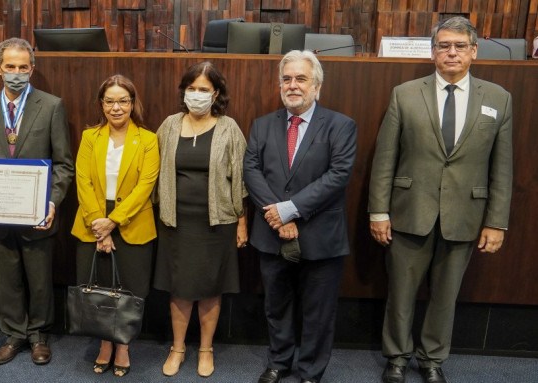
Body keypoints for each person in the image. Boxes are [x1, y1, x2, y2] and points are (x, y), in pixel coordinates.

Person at [369, 16, 512, 383]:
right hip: (408, 211)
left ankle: (431, 359)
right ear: (432, 52)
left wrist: (496, 222)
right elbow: (386, 158)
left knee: (446, 295)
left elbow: (503, 168)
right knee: (400, 293)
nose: (451, 52)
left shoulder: (498, 99)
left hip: (465, 213)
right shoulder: (405, 93)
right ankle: (397, 357)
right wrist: (378, 212)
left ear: (473, 52)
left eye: (459, 46)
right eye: (444, 45)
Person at [243, 50, 357, 383]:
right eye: (287, 79)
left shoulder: (341, 125)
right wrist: (277, 214)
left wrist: (289, 209)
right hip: (271, 232)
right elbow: (251, 170)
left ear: (317, 86)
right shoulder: (262, 125)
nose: (293, 85)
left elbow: (338, 175)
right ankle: (279, 362)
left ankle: (310, 371)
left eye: (301, 79)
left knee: (318, 311)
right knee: (276, 305)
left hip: (320, 234)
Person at [0, 37, 74, 366]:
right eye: (10, 67)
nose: (16, 72)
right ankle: (13, 334)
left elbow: (64, 164)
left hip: (36, 214)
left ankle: (39, 335)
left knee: (39, 278)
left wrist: (52, 203)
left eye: (23, 67)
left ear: (32, 69)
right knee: (7, 276)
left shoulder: (51, 105)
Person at [155, 61, 248, 378]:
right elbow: (152, 169)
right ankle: (178, 348)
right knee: (179, 288)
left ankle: (206, 349)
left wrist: (242, 220)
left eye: (203, 90)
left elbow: (240, 178)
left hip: (217, 222)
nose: (196, 95)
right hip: (174, 221)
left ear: (216, 93)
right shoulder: (168, 125)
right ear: (183, 91)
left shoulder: (228, 128)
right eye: (191, 89)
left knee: (211, 287)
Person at [71, 74, 160, 377]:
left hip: (130, 221)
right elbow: (82, 181)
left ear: (133, 103)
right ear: (102, 104)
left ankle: (122, 346)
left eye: (123, 100)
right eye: (110, 101)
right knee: (97, 288)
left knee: (129, 291)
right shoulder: (89, 137)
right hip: (92, 220)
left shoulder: (147, 139)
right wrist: (99, 223)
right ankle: (104, 344)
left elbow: (145, 186)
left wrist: (112, 223)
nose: (116, 107)